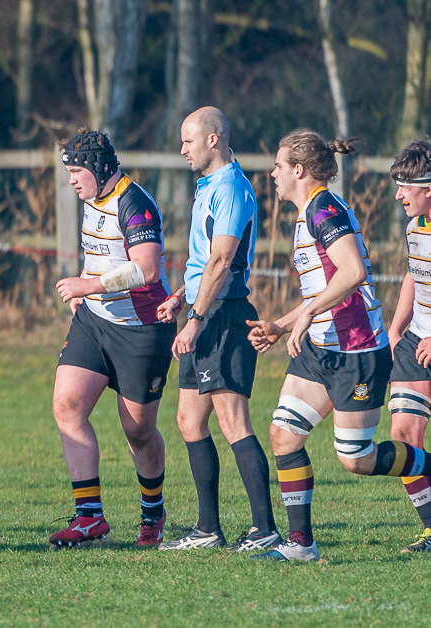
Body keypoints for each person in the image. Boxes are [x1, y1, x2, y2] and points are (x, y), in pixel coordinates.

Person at [247, 130, 431, 562]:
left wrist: (308, 315)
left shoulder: (324, 210)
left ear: (298, 170)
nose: (272, 174)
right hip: (320, 347)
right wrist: (283, 322)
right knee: (283, 434)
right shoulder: (309, 211)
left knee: (356, 458)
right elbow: (323, 288)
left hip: (354, 351)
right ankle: (301, 544)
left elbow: (352, 273)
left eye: (277, 166)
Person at [157, 107, 280, 552]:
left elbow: (221, 261)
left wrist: (194, 319)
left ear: (213, 140)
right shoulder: (208, 186)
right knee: (190, 421)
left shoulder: (230, 188)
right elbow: (201, 264)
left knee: (232, 420)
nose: (183, 149)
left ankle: (265, 529)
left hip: (223, 316)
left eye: (189, 141)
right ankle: (208, 529)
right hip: (203, 310)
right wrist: (182, 298)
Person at [49, 130, 173, 548]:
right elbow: (100, 254)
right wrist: (87, 290)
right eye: (68, 172)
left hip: (142, 330)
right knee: (66, 405)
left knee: (138, 430)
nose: (71, 180)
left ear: (101, 169)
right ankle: (89, 517)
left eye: (77, 171)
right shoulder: (91, 198)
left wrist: (88, 286)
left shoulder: (134, 203)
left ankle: (152, 515)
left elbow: (146, 270)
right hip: (95, 323)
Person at [387, 138, 431, 553]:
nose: (398, 194)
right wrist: (396, 326)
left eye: (405, 185)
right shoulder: (415, 226)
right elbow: (413, 275)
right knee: (403, 433)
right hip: (417, 340)